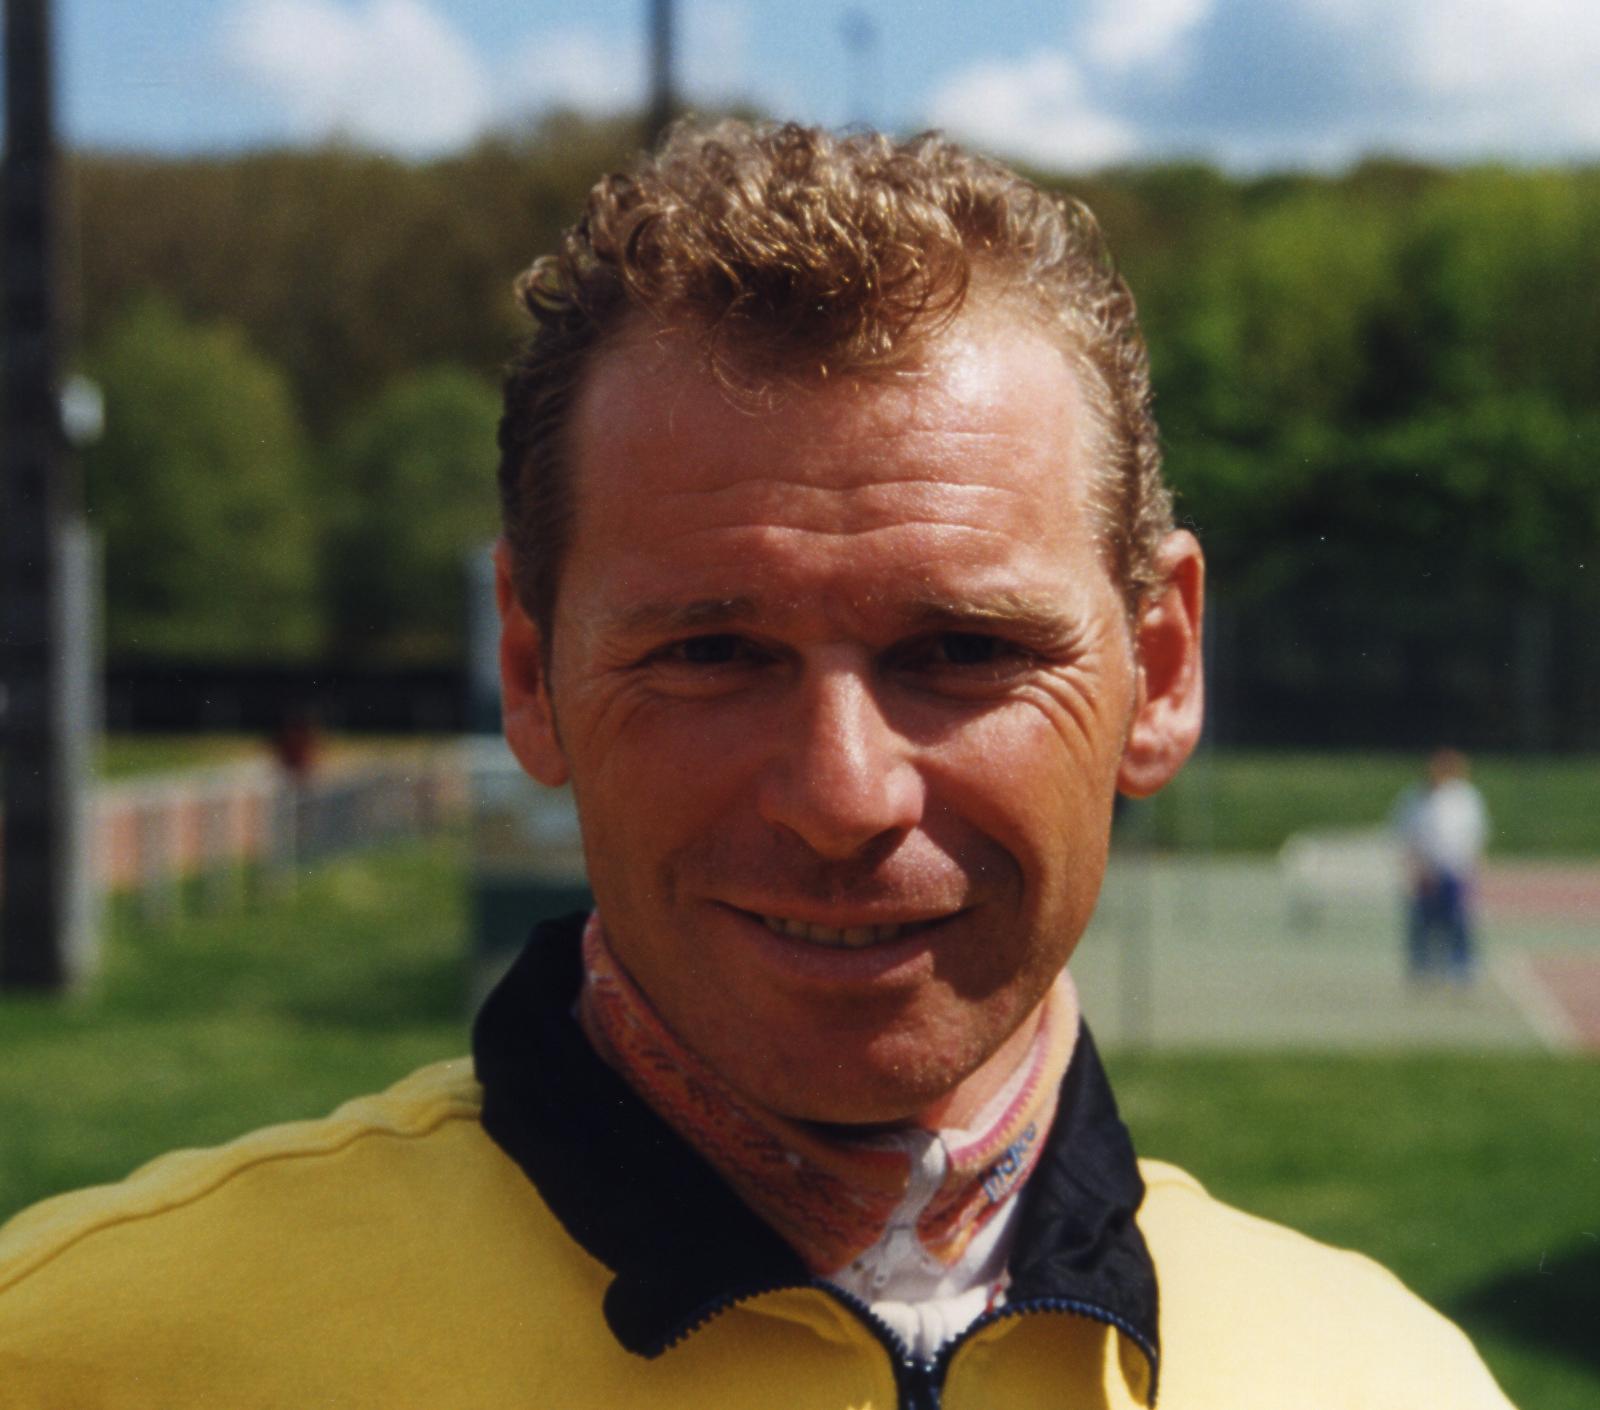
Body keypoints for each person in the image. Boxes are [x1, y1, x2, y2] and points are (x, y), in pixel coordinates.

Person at [0, 122, 1514, 1407]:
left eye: (963, 649)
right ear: (533, 672)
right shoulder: (88, 1357)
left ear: (1160, 671)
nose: (845, 796)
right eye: (711, 652)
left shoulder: (1385, 1378)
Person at [1394, 747, 1491, 985]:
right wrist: (1414, 866)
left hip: (1455, 868)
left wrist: (1471, 864)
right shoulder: (1414, 797)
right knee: (1423, 920)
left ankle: (1460, 965)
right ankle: (1422, 966)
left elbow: (1476, 832)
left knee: (1458, 919)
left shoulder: (1466, 797)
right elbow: (1404, 833)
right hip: (1425, 869)